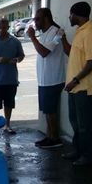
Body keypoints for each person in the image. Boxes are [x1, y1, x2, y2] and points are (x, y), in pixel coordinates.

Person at [60, 1, 92, 166]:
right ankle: (78, 150)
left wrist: (76, 80)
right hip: (74, 87)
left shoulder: (91, 32)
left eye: (70, 14)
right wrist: (63, 39)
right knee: (76, 122)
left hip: (84, 86)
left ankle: (88, 156)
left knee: (85, 124)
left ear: (76, 14)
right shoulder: (80, 31)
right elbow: (71, 53)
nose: (69, 17)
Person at [27, 8, 67, 149]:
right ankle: (50, 136)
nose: (35, 22)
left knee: (51, 110)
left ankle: (55, 138)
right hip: (44, 80)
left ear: (46, 18)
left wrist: (32, 37)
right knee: (46, 110)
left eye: (37, 19)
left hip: (53, 79)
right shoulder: (45, 33)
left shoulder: (57, 32)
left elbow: (44, 52)